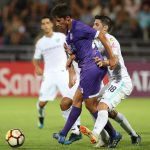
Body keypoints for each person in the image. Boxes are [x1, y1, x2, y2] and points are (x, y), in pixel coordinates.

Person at [51, 4, 121, 148]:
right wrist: (71, 57)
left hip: (92, 68)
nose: (57, 24)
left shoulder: (78, 27)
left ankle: (64, 134)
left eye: (59, 21)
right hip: (86, 68)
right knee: (88, 105)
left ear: (68, 18)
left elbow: (100, 35)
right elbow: (78, 51)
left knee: (81, 102)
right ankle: (113, 134)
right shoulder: (69, 34)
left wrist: (112, 57)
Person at [80, 15, 141, 148]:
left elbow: (115, 62)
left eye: (96, 25)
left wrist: (104, 62)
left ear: (105, 28)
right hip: (112, 81)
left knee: (102, 105)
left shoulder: (111, 41)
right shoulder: (95, 41)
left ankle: (95, 133)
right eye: (93, 24)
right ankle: (133, 135)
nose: (93, 27)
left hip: (122, 82)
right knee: (94, 104)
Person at [32, 16, 82, 144]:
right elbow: (35, 58)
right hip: (48, 74)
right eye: (43, 23)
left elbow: (70, 50)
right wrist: (37, 67)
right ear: (42, 26)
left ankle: (76, 128)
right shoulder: (40, 43)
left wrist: (71, 69)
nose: (46, 25)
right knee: (42, 103)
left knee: (71, 100)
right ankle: (41, 114)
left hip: (62, 72)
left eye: (48, 22)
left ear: (51, 25)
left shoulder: (60, 37)